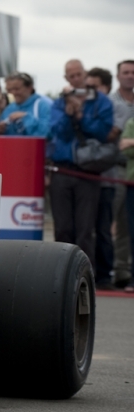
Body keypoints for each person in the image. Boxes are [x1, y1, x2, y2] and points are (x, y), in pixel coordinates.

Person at [49, 59, 114, 270]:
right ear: (66, 79)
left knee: (86, 229)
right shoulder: (60, 102)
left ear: (85, 75)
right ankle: (60, 273)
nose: (76, 79)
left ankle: (85, 273)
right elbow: (58, 132)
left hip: (87, 171)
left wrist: (81, 115)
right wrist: (69, 115)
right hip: (62, 169)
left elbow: (103, 132)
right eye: (71, 76)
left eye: (79, 75)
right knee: (63, 227)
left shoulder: (101, 101)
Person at [85, 67, 118, 289]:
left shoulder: (109, 108)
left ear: (105, 87)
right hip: (86, 177)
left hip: (107, 180)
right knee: (87, 228)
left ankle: (105, 274)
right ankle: (91, 271)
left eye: (95, 87)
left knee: (104, 229)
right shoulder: (87, 107)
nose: (91, 91)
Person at [111, 60, 134, 288]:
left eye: (133, 73)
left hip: (132, 171)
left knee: (128, 226)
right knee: (110, 222)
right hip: (113, 170)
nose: (130, 76)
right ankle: (113, 269)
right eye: (126, 72)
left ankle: (124, 271)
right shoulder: (109, 102)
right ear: (118, 76)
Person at [0, 72, 52, 137]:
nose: (13, 93)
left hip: (35, 147)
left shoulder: (43, 106)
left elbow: (49, 134)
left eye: (17, 89)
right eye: (9, 90)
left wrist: (26, 117)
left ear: (29, 88)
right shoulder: (8, 109)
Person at [119, 115, 134, 292]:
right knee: (132, 233)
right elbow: (125, 150)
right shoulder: (131, 122)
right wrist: (129, 144)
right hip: (132, 185)